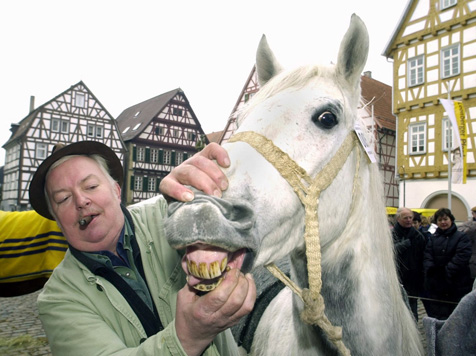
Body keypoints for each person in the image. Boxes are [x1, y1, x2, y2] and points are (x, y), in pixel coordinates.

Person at [28, 141, 256, 356]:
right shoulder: (58, 299)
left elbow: (243, 217)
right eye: (64, 198)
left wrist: (207, 194)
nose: (81, 200)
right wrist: (188, 338)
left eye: (91, 186)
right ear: (57, 220)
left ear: (117, 191)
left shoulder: (165, 214)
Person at [423, 208, 472, 320]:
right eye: (440, 220)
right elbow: (427, 256)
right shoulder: (433, 238)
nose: (443, 222)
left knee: (457, 317)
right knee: (439, 315)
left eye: (445, 219)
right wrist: (432, 272)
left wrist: (446, 271)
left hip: (457, 282)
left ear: (451, 220)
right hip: (437, 285)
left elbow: (462, 256)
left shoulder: (461, 237)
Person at [392, 207, 426, 321]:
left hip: (412, 278)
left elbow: (422, 257)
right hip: (395, 277)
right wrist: (403, 245)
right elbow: (388, 251)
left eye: (410, 217)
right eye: (405, 218)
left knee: (412, 309)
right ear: (398, 219)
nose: (408, 220)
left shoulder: (418, 236)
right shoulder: (391, 234)